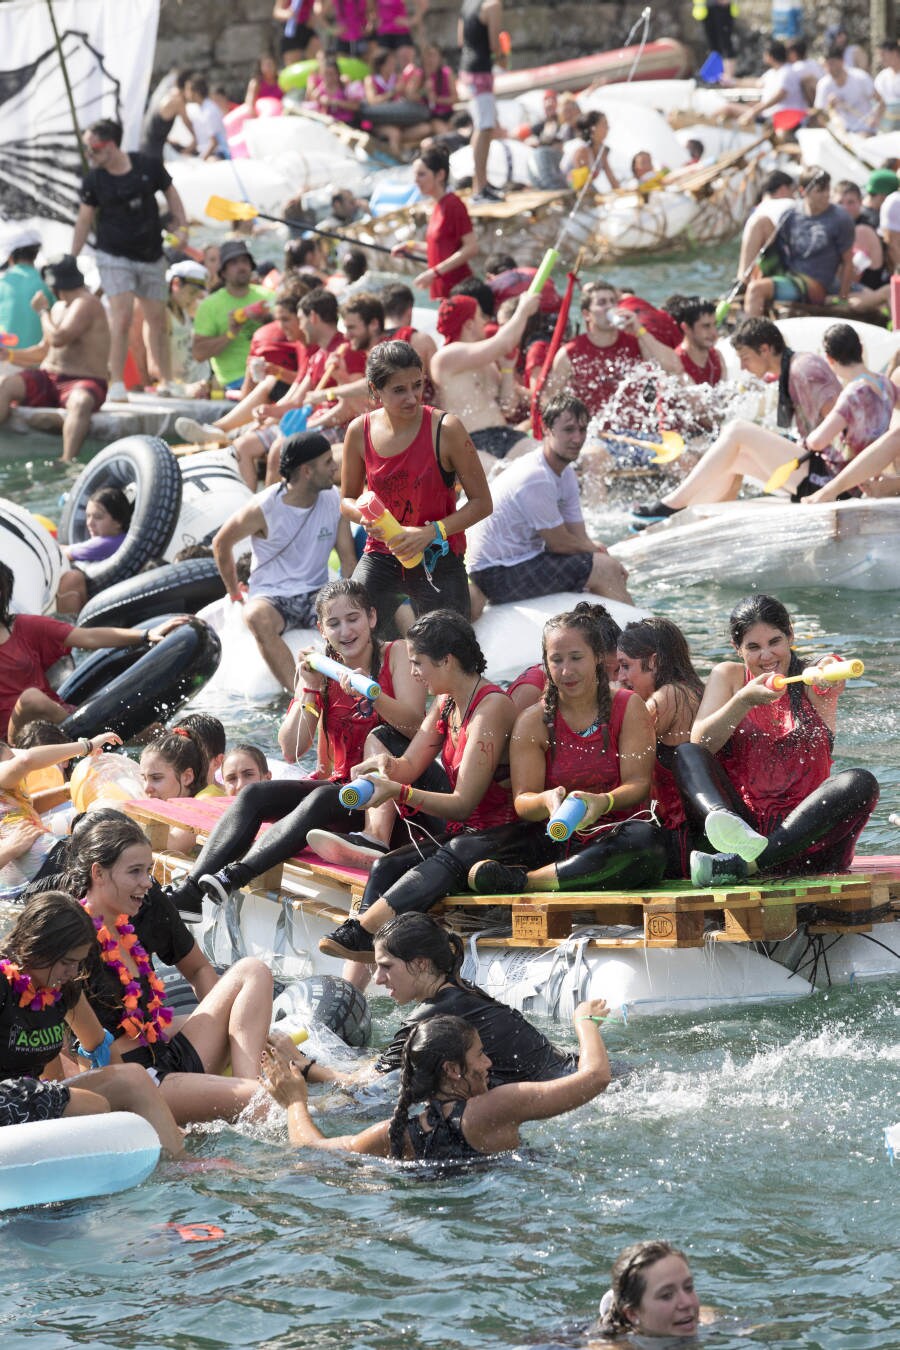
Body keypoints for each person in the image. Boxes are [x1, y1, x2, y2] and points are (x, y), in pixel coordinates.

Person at [164, 578, 425, 913]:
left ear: (372, 618)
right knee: (254, 794)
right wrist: (309, 689)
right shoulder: (321, 668)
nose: (345, 631)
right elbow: (291, 749)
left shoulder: (397, 654)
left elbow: (414, 724)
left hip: (387, 796)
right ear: (321, 629)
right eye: (334, 623)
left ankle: (236, 875)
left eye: (353, 619)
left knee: (321, 796)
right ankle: (189, 893)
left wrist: (372, 695)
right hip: (340, 792)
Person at [317, 609, 518, 963]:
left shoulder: (492, 706)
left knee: (442, 858)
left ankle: (367, 934)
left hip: (504, 835)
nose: (412, 673)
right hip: (466, 834)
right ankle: (372, 953)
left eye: (418, 663)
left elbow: (462, 804)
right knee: (385, 867)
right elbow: (408, 766)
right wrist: (384, 768)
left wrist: (397, 791)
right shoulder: (446, 702)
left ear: (447, 660)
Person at [68, 813, 273, 1126]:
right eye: (134, 872)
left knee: (252, 971)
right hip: (139, 1082)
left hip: (164, 1052)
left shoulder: (129, 923)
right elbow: (58, 1038)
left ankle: (250, 1089)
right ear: (98, 873)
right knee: (263, 1101)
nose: (146, 882)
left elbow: (196, 972)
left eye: (148, 870)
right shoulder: (73, 941)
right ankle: (253, 1099)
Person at [465, 604, 665, 899]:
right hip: (556, 837)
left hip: (617, 835)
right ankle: (549, 875)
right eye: (556, 660)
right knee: (475, 848)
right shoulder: (533, 721)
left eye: (576, 658)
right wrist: (546, 800)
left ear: (597, 657)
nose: (567, 671)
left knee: (646, 843)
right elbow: (523, 800)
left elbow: (639, 784)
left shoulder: (629, 706)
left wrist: (603, 801)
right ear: (545, 663)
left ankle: (525, 883)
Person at [680, 594, 879, 887]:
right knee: (687, 754)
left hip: (810, 845)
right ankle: (730, 832)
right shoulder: (729, 677)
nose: (767, 656)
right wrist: (743, 701)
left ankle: (747, 866)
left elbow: (832, 667)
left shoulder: (811, 677)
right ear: (737, 649)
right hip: (743, 834)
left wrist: (830, 668)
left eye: (775, 642)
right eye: (753, 647)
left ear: (790, 637)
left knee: (860, 781)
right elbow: (702, 742)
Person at [261, 1000, 611, 1159]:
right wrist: (585, 1021)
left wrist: (295, 1102)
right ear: (453, 1070)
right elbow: (595, 1077)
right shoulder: (496, 1107)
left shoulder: (397, 1132)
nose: (489, 1062)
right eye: (479, 1054)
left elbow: (313, 1150)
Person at [632, 322, 888, 517]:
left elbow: (840, 428)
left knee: (737, 431)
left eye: (745, 357)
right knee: (734, 457)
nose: (743, 367)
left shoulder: (805, 369)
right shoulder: (793, 368)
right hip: (819, 469)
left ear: (765, 349)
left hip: (832, 480)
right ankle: (693, 514)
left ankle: (670, 504)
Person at [0, 889, 184, 1154]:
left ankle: (178, 1163)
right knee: (91, 1106)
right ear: (36, 946)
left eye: (78, 962)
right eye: (67, 962)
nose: (74, 972)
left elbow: (99, 1046)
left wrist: (153, 1116)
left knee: (133, 1077)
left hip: (31, 1094)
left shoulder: (63, 988)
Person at [340, 340, 492, 633]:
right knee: (349, 632)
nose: (412, 397)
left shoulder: (446, 429)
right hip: (382, 555)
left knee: (448, 654)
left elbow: (483, 504)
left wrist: (430, 532)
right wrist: (367, 519)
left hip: (439, 557)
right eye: (399, 390)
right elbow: (346, 499)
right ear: (374, 391)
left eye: (417, 385)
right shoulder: (359, 431)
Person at [213, 431, 356, 693]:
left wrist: (350, 603)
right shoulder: (263, 507)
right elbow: (221, 544)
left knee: (357, 608)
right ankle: (298, 693)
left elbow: (348, 559)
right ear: (306, 471)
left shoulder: (333, 498)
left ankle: (356, 686)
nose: (335, 467)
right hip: (274, 598)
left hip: (318, 593)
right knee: (255, 616)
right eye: (327, 462)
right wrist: (234, 593)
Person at [465, 394, 633, 612]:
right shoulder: (535, 477)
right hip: (495, 575)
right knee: (603, 568)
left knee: (599, 563)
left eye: (582, 430)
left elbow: (578, 536)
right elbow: (560, 544)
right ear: (546, 429)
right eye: (569, 430)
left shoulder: (567, 474)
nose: (577, 438)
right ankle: (638, 636)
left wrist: (595, 550)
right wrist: (601, 556)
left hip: (520, 561)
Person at [0, 562, 186, 741]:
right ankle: (89, 736)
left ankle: (87, 735)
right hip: (11, 739)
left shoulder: (23, 626)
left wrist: (144, 634)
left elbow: (88, 637)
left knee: (155, 732)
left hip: (57, 722)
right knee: (30, 699)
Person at [72, 118, 189, 401]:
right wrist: (72, 258)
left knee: (157, 320)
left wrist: (182, 227)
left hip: (150, 253)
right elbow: (84, 219)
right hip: (113, 254)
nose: (90, 156)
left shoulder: (147, 166)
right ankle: (116, 382)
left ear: (110, 145)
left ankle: (166, 380)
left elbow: (171, 193)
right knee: (122, 317)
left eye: (93, 150)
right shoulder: (95, 179)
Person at [0, 254, 110, 463]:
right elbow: (44, 350)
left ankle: (66, 461)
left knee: (80, 402)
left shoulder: (86, 303)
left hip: (82, 381)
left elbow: (59, 338)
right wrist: (10, 355)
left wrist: (42, 312)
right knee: (4, 384)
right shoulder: (59, 307)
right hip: (48, 378)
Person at [616, 618, 704, 878]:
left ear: (653, 661)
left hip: (679, 840)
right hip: (697, 835)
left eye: (625, 666)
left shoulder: (668, 697)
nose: (620, 677)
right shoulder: (695, 690)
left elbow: (615, 754)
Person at [542, 279, 683, 436]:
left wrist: (639, 329)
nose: (609, 307)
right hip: (594, 437)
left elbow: (674, 368)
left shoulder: (636, 341)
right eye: (602, 303)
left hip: (637, 434)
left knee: (686, 460)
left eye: (613, 302)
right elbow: (549, 400)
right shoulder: (570, 353)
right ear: (587, 314)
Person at [0, 730, 121, 901]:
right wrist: (88, 745)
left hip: (17, 894)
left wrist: (69, 790)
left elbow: (16, 806)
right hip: (50, 868)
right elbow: (26, 760)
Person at [429, 290, 542, 464]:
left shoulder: (487, 362)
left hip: (505, 434)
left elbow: (508, 408)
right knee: (503, 477)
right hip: (470, 442)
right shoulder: (445, 357)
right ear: (468, 325)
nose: (485, 321)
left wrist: (507, 370)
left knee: (546, 462)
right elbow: (504, 343)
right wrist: (523, 310)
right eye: (480, 316)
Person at [744, 167, 855, 315]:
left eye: (828, 189)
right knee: (761, 223)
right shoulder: (791, 213)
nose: (826, 195)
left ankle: (750, 335)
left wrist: (843, 298)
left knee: (756, 289)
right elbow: (778, 247)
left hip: (815, 284)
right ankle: (742, 279)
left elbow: (848, 262)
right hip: (790, 273)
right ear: (803, 192)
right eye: (820, 191)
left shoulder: (840, 218)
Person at [390, 147, 478, 300]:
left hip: (458, 291)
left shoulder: (453, 204)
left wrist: (434, 272)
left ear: (440, 175)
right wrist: (411, 246)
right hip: (443, 292)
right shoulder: (437, 205)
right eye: (415, 175)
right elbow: (442, 247)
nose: (416, 180)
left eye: (422, 174)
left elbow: (471, 248)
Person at [191, 239, 274, 393]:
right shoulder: (210, 305)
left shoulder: (268, 296)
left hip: (270, 374)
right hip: (234, 382)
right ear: (223, 272)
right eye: (234, 263)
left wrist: (268, 320)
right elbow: (198, 353)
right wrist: (230, 333)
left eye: (244, 261)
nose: (241, 267)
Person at [589, 1240, 712, 1342]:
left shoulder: (705, 1321)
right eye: (667, 1295)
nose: (687, 1303)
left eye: (688, 1287)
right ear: (632, 1314)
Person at [55, 486, 134, 616]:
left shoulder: (107, 543)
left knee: (72, 577)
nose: (90, 523)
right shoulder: (122, 540)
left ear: (118, 522)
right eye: (88, 516)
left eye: (98, 517)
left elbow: (62, 554)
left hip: (108, 607)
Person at [458, 0, 505, 202]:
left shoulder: (468, 4)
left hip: (467, 68)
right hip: (481, 70)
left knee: (482, 127)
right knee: (484, 128)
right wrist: (502, 58)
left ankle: (480, 183)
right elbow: (495, 44)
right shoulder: (492, 5)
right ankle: (480, 189)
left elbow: (461, 40)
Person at [734, 40, 809, 127]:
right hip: (770, 114)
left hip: (787, 117)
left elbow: (778, 97)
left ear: (770, 56)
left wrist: (753, 112)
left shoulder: (787, 72)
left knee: (728, 109)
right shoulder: (772, 72)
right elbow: (756, 83)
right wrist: (733, 81)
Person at [164, 260, 210, 399]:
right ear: (176, 284)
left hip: (200, 382)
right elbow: (155, 368)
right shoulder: (163, 315)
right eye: (192, 292)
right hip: (184, 386)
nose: (195, 298)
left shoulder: (185, 310)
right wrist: (183, 388)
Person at [0, 228, 54, 347]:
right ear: (35, 256)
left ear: (10, 258)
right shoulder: (48, 283)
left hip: (4, 354)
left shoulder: (2, 282)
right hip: (37, 357)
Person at [814, 50, 881, 135]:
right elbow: (820, 115)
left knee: (861, 139)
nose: (828, 68)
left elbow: (881, 102)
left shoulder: (860, 77)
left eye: (831, 63)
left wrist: (876, 118)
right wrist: (830, 107)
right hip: (840, 131)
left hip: (864, 128)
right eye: (825, 65)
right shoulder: (823, 84)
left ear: (841, 62)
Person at [140, 67, 199, 160]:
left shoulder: (169, 94)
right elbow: (191, 129)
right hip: (153, 153)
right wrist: (192, 146)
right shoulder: (177, 101)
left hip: (147, 146)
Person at [174, 712, 228, 798]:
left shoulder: (229, 798)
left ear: (217, 762)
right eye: (177, 756)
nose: (183, 765)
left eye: (195, 758)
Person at [564, 111, 618, 191]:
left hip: (582, 191)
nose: (608, 127)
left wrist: (621, 193)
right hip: (566, 191)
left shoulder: (601, 151)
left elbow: (612, 179)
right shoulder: (582, 150)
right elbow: (581, 185)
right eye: (604, 124)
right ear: (593, 128)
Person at [273, 0, 319, 65]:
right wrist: (288, 14)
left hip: (307, 28)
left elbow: (317, 6)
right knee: (293, 65)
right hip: (290, 30)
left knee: (319, 58)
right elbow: (277, 12)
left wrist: (315, 15)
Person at [875, 40, 900, 132]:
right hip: (887, 127)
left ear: (894, 53)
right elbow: (879, 102)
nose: (880, 59)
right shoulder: (882, 77)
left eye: (883, 55)